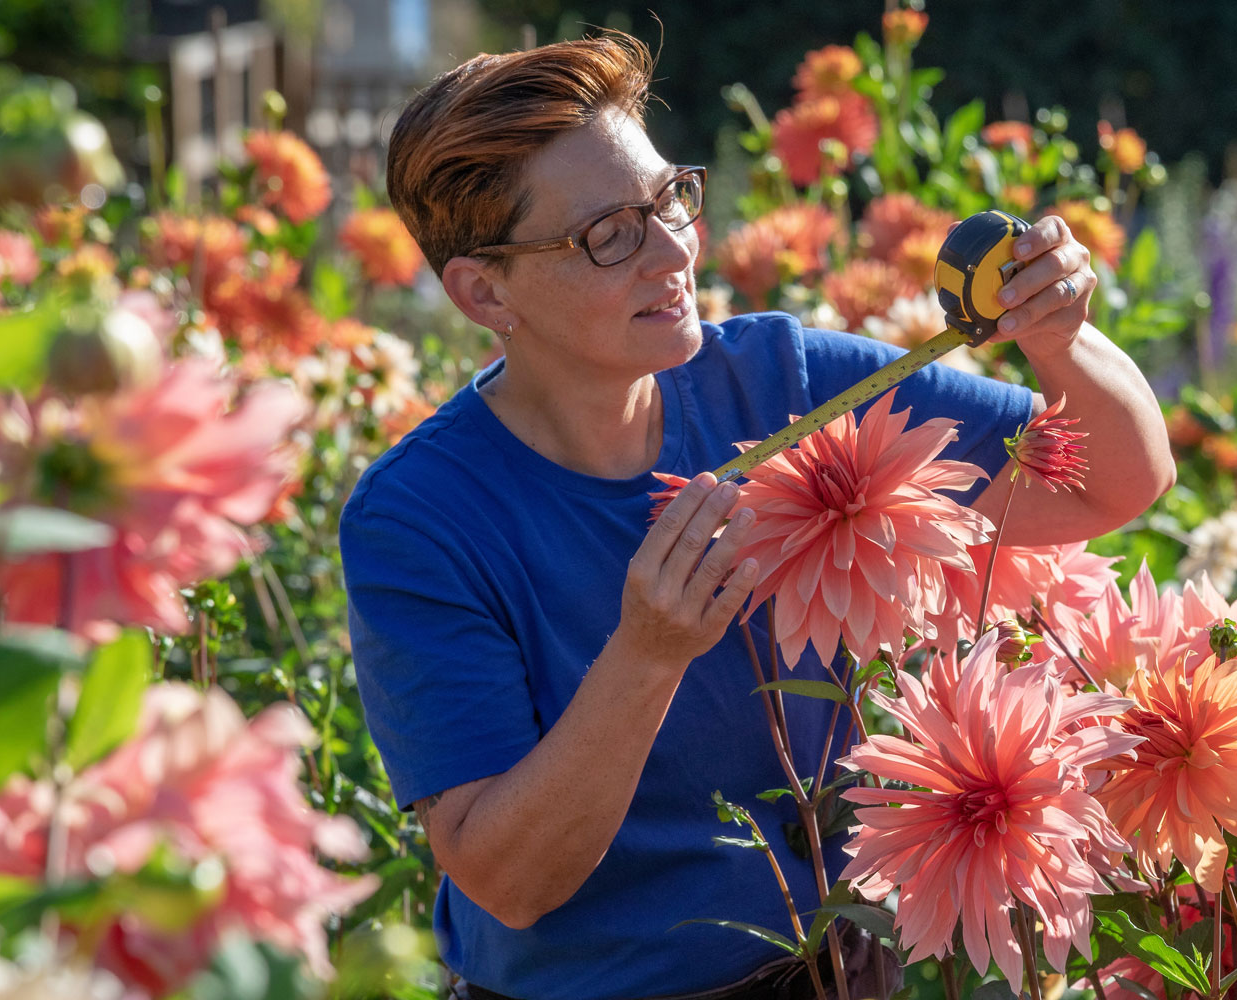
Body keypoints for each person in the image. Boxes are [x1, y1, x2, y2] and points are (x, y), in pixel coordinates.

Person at [340, 31, 1175, 1000]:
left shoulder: (789, 382)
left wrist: (1061, 335)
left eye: (669, 199)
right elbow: (508, 882)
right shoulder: (419, 516)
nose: (673, 251)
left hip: (831, 969)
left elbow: (1112, 483)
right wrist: (646, 655)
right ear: (484, 290)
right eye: (608, 235)